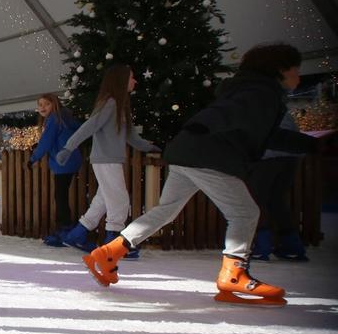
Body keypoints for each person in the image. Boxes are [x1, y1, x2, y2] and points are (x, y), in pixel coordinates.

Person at [82, 44, 317, 306]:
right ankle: (234, 274)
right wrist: (202, 126)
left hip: (187, 153)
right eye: (296, 69)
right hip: (207, 157)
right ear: (281, 70)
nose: (298, 76)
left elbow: (264, 133)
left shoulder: (249, 89)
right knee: (245, 213)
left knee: (166, 210)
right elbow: (226, 114)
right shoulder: (261, 92)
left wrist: (312, 145)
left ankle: (110, 252)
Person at [55, 64, 159, 256]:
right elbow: (90, 126)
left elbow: (132, 137)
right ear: (120, 80)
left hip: (109, 160)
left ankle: (78, 234)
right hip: (106, 160)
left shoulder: (120, 105)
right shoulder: (110, 103)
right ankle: (113, 243)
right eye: (131, 78)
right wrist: (68, 147)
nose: (135, 81)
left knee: (103, 200)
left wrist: (150, 147)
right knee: (119, 200)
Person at [247, 114, 309, 261]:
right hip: (291, 155)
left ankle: (262, 246)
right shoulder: (280, 106)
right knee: (277, 200)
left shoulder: (253, 103)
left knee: (257, 199)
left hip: (266, 155)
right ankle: (292, 246)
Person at [28, 93, 83, 246]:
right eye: (40, 105)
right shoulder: (63, 118)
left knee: (60, 197)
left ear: (55, 104)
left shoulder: (55, 119)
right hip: (69, 160)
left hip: (63, 162)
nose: (42, 107)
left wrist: (33, 158)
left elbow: (46, 142)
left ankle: (64, 231)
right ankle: (65, 229)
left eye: (46, 104)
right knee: (61, 196)